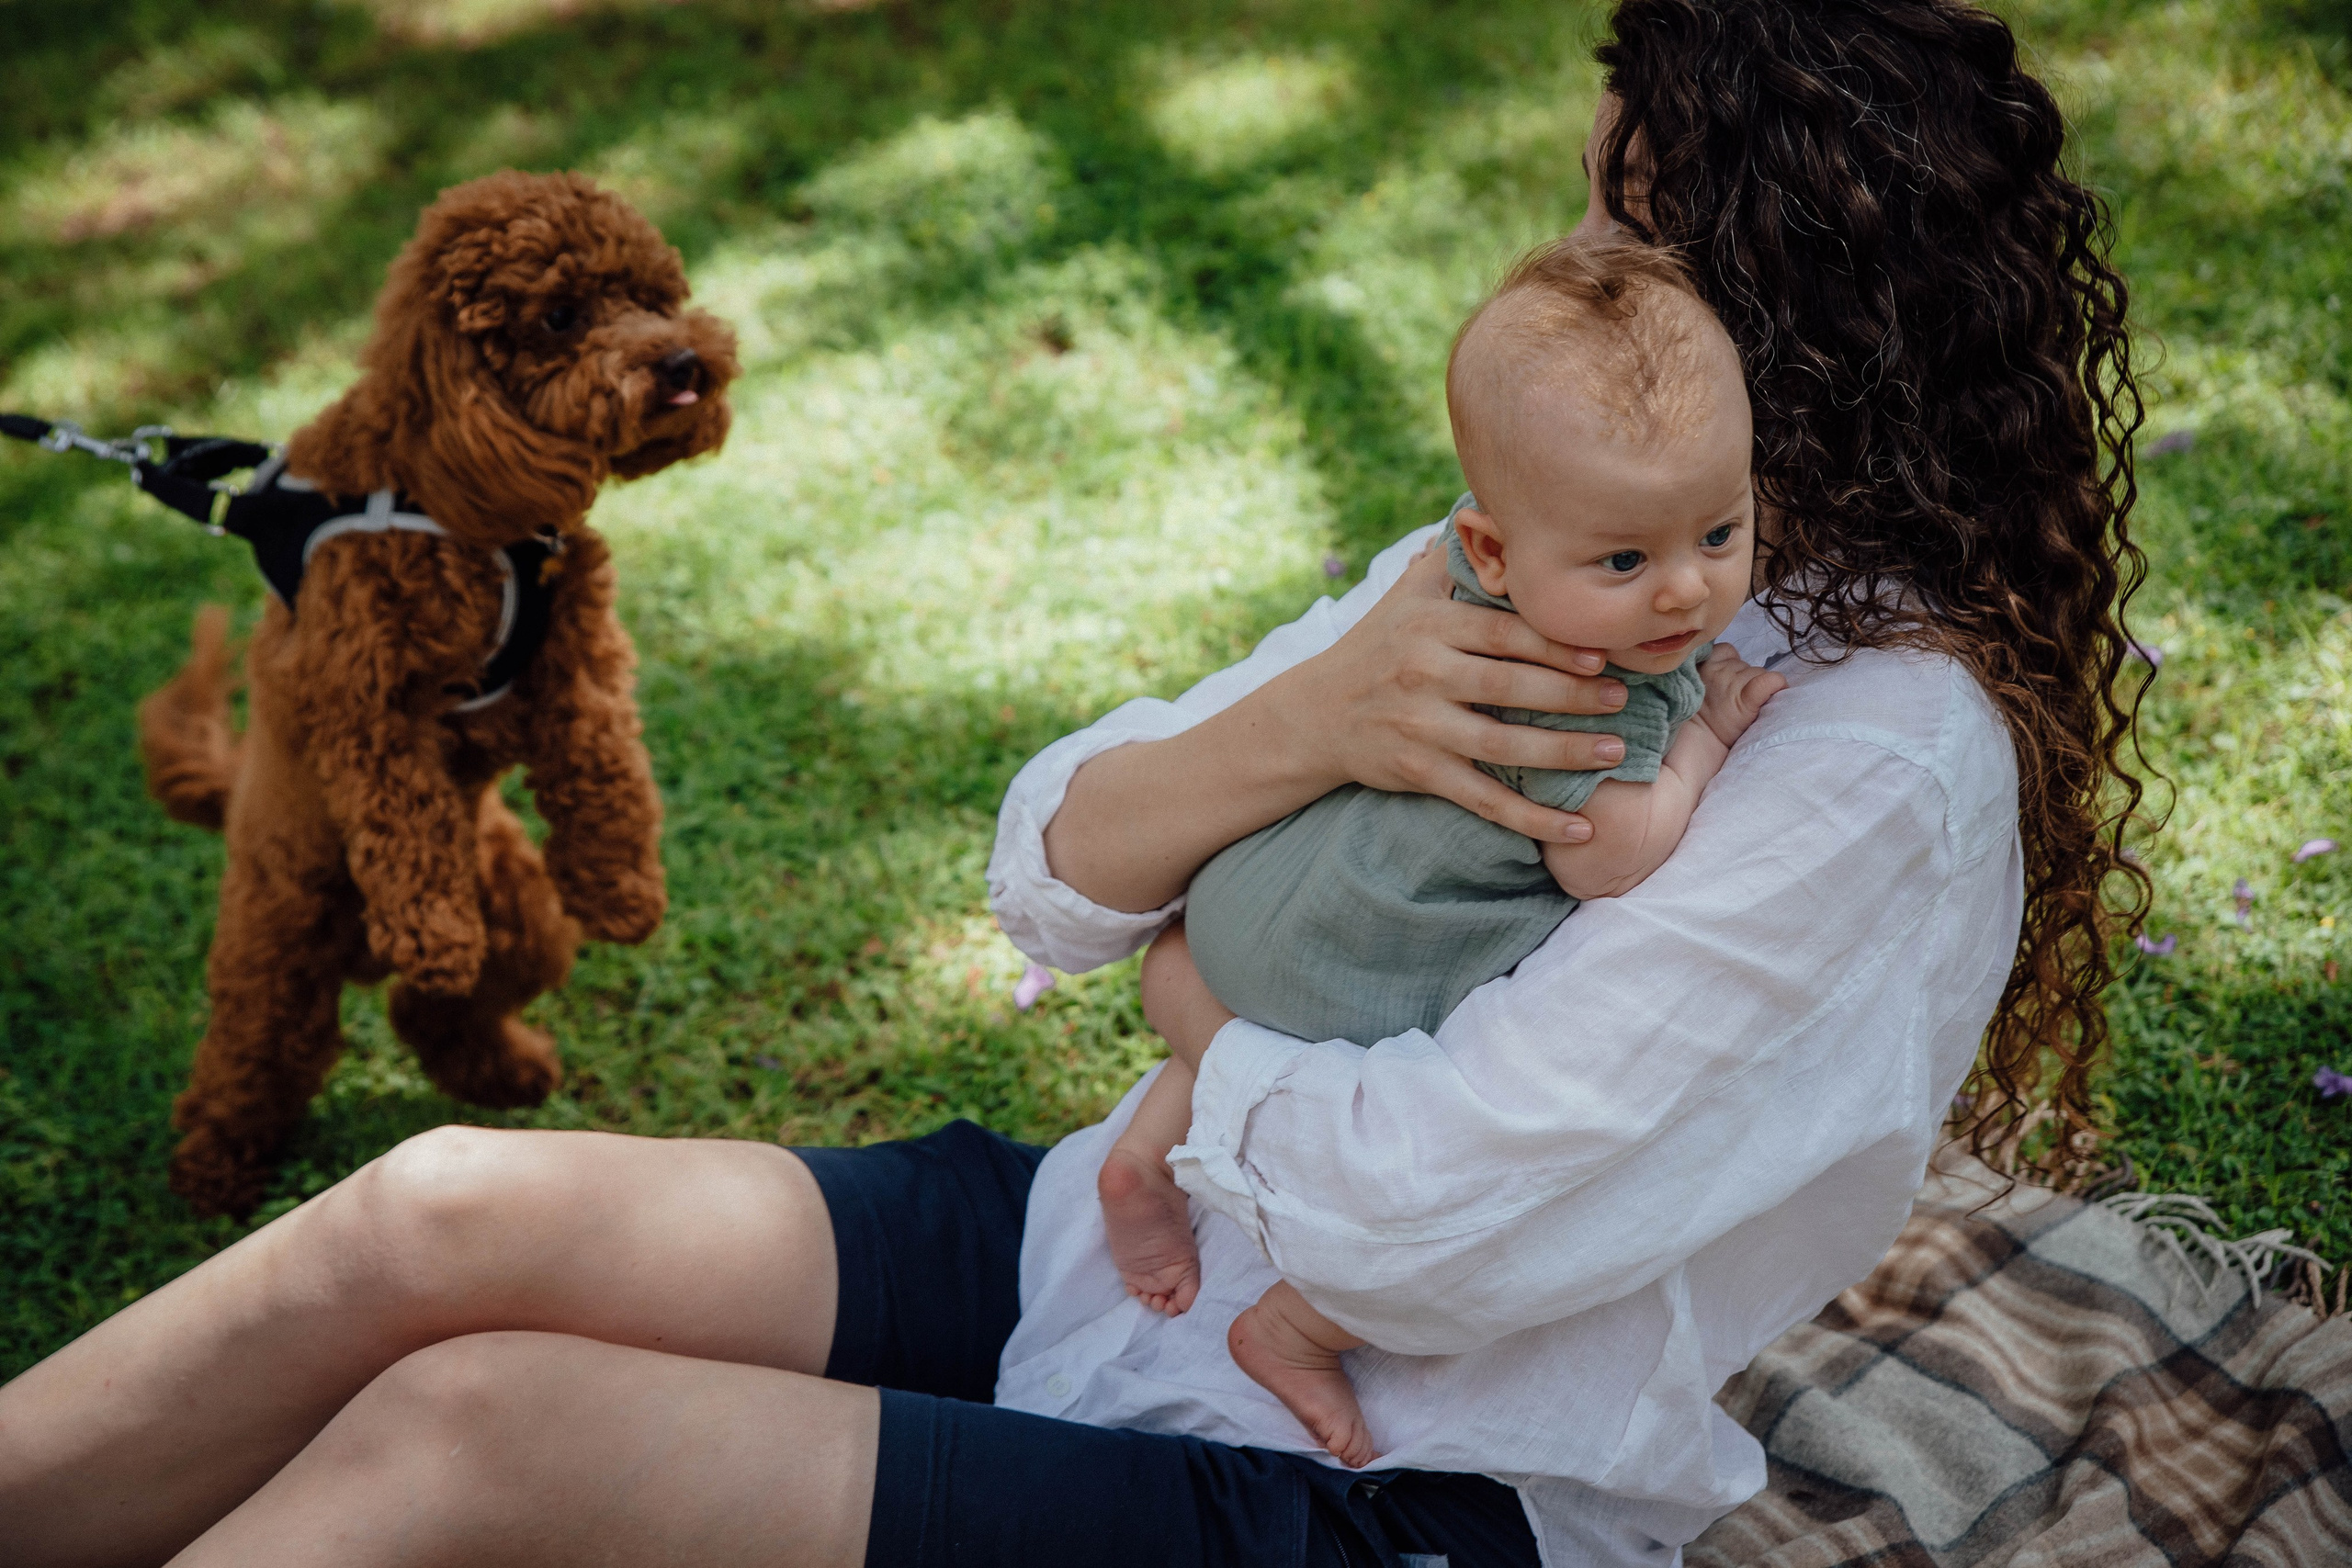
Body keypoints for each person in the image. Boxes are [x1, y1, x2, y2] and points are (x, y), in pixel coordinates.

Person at [0, 4, 2146, 1566]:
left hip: (1389, 1482)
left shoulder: (1873, 751)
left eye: (1613, 201)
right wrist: (1310, 723)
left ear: (1766, 288)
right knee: (430, 1212)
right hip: (1106, 1254)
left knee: (473, 1428)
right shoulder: (1543, 546)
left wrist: (1192, 1011)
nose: (1567, 247)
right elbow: (1049, 862)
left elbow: (1418, 1217)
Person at [1095, 235, 1788, 1469]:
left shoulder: (1458, 582)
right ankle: (1297, 1329)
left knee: (1241, 1020)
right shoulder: (1590, 690)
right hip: (1362, 971)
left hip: (1257, 904)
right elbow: (1604, 856)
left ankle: (1144, 1156)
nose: (1686, 592)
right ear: (1495, 550)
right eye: (1626, 560)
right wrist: (1702, 743)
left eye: (1720, 532)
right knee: (1481, 1190)